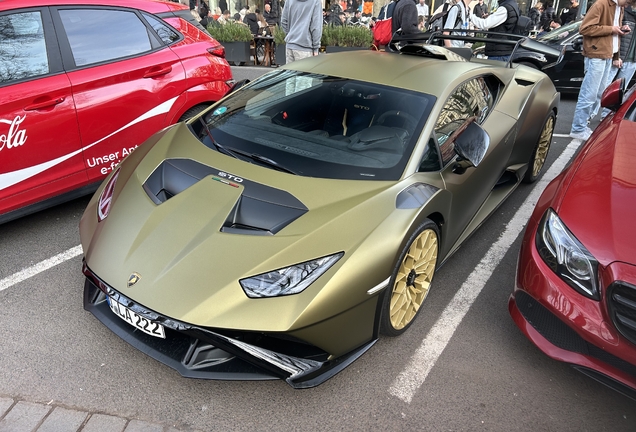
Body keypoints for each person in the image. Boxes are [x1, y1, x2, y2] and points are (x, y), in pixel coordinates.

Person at [569, 0, 629, 140]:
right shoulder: (601, 4)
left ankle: (582, 126)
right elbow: (584, 29)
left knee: (598, 94)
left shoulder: (618, 7)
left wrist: (619, 30)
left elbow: (613, 35)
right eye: (627, 2)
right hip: (596, 54)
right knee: (589, 93)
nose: (627, 6)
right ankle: (578, 128)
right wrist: (612, 29)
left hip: (607, 54)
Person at [602, 0, 636, 117]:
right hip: (619, 56)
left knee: (620, 92)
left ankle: (606, 115)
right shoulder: (624, 11)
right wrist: (617, 56)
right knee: (605, 88)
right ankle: (590, 115)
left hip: (633, 60)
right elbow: (616, 35)